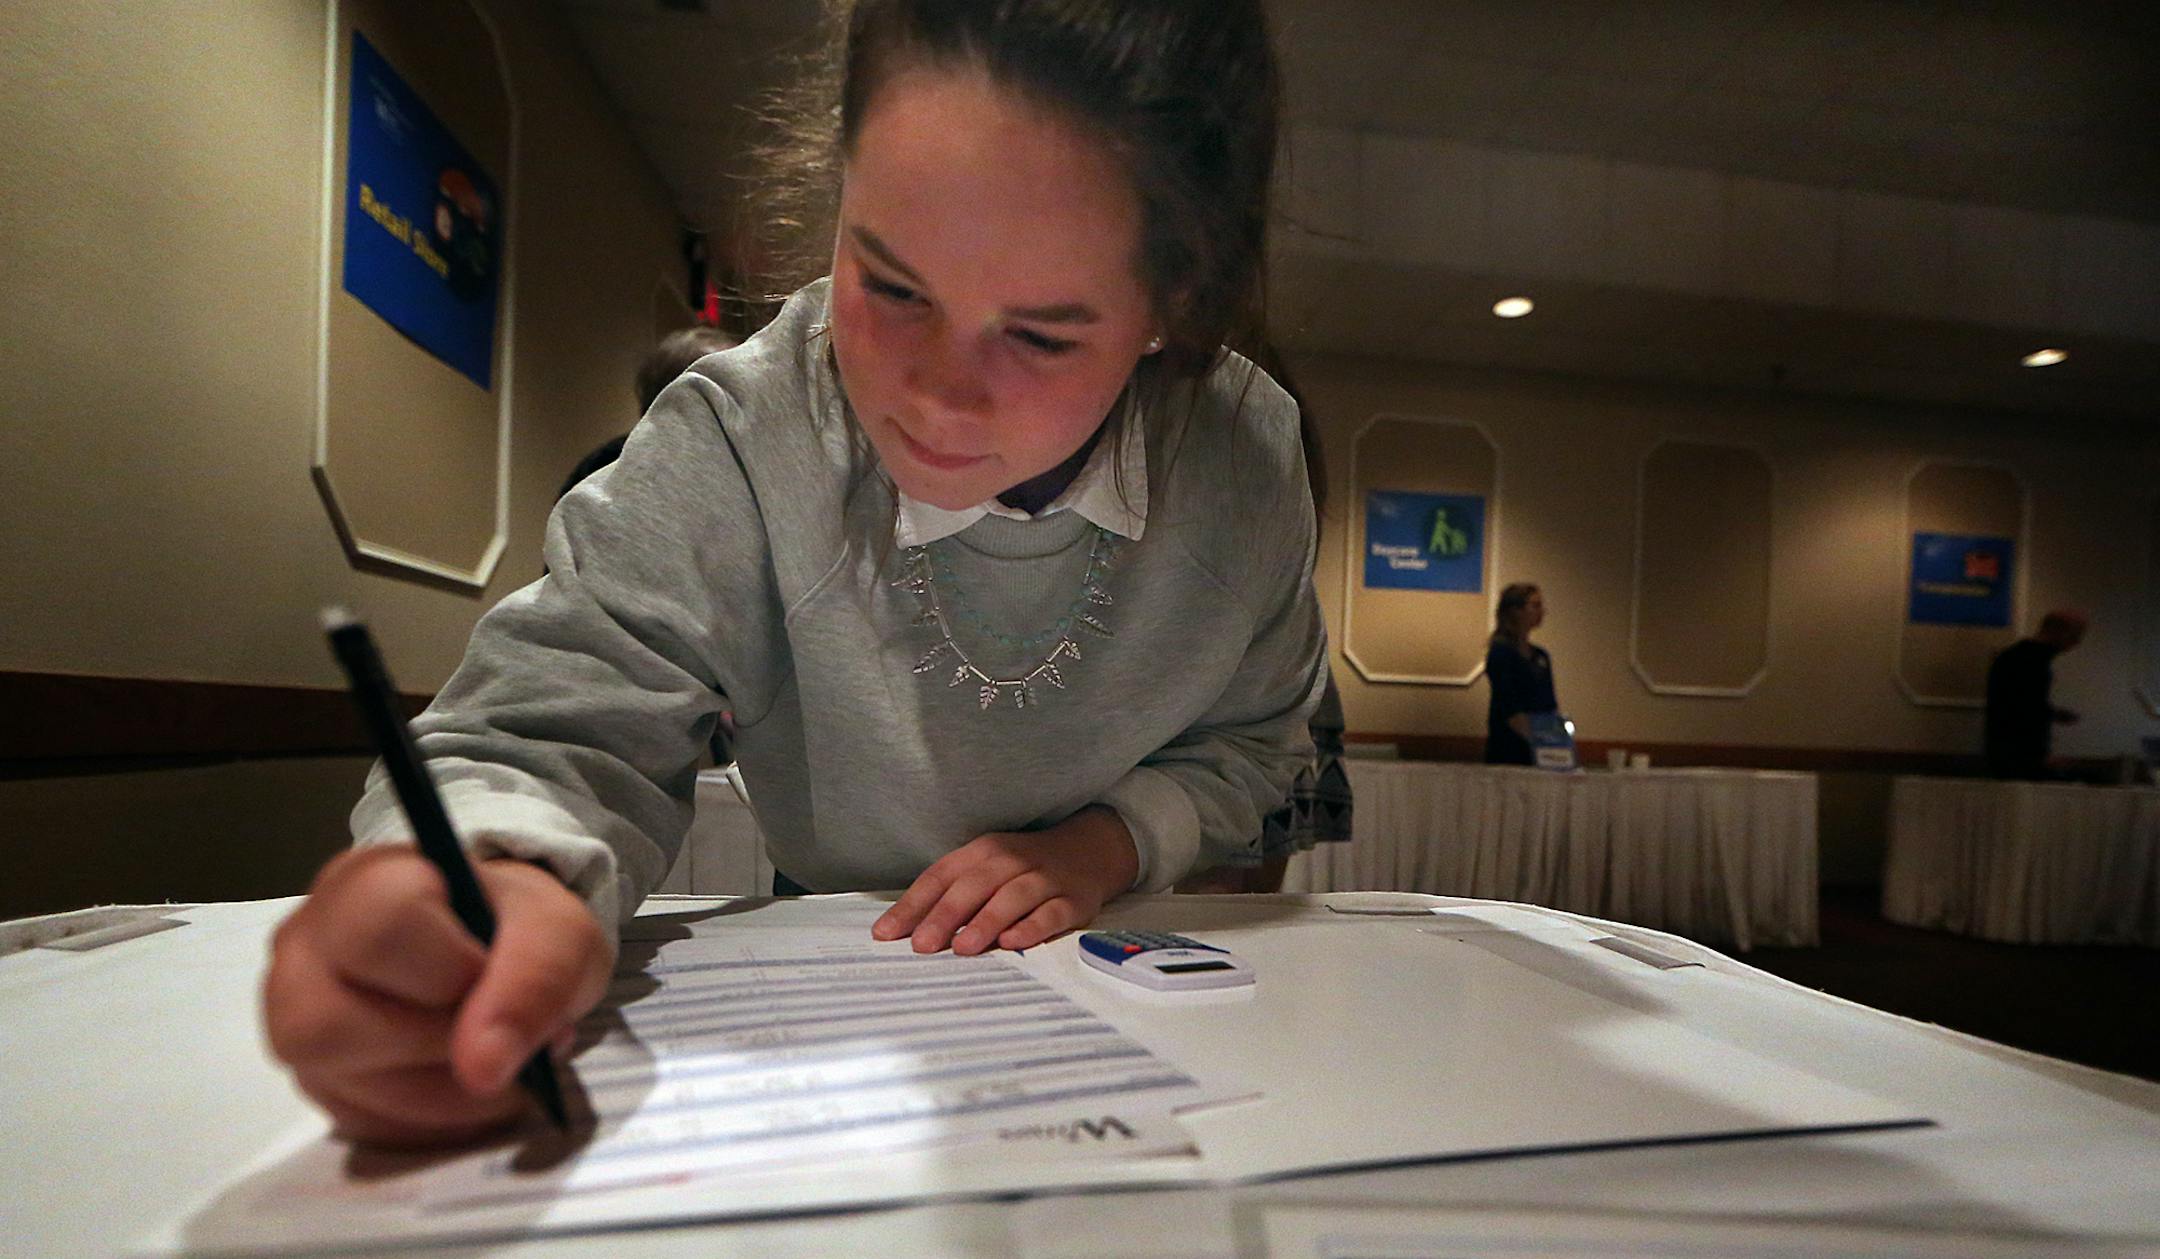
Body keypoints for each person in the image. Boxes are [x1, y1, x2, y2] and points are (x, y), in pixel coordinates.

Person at [263, 0, 1320, 1147]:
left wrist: (1106, 842)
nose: (932, 395)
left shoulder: (1245, 463)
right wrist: (504, 877)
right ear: (839, 189)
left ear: (1174, 308)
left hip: (1143, 1022)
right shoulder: (739, 437)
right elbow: (545, 726)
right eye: (892, 285)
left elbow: (1260, 748)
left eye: (1043, 336)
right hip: (833, 1004)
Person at [1984, 609, 2087, 780]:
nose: (2076, 643)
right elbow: (2024, 713)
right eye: (2074, 636)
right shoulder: (2033, 663)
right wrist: (2037, 756)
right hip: (2018, 761)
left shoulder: (2014, 656)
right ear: (2056, 631)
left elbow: (2018, 705)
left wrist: (2052, 714)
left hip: (2005, 756)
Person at [1483, 583, 1557, 766]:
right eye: (1535, 605)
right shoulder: (1501, 653)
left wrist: (1557, 744)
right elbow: (1508, 705)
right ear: (1516, 611)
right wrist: (1541, 740)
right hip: (1509, 748)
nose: (1541, 612)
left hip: (1543, 748)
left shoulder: (1541, 656)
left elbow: (1550, 705)